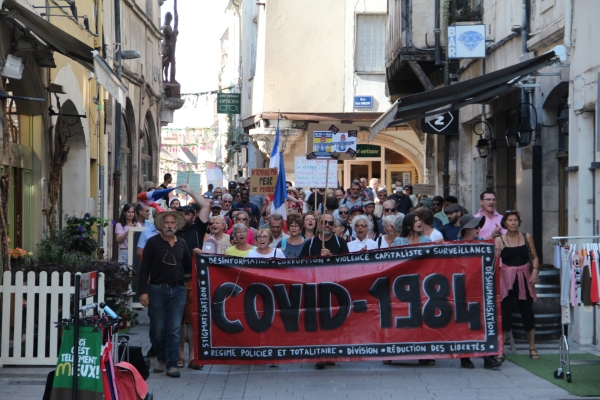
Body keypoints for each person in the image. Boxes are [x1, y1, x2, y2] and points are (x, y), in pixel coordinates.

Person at [138, 211, 189, 378]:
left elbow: (188, 265)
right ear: (161, 225)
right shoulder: (152, 243)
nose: (169, 226)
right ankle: (161, 358)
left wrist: (199, 256)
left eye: (172, 223)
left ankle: (172, 364)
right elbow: (144, 269)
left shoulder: (182, 243)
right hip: (158, 290)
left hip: (178, 290)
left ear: (177, 225)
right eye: (166, 223)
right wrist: (143, 292)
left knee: (174, 329)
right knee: (159, 329)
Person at [454, 214, 503, 370]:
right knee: (464, 324)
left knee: (486, 322)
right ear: (467, 229)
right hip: (461, 290)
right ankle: (465, 357)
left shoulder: (483, 243)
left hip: (482, 289)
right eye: (476, 226)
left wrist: (495, 249)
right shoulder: (453, 245)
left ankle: (488, 357)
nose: (479, 229)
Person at [496, 210, 540, 362]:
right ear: (505, 223)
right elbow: (494, 261)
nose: (513, 223)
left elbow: (535, 257)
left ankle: (532, 347)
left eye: (515, 220)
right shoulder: (499, 240)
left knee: (527, 312)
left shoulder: (527, 237)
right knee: (505, 314)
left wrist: (535, 271)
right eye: (510, 220)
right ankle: (501, 349)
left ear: (519, 222)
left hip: (524, 277)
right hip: (506, 279)